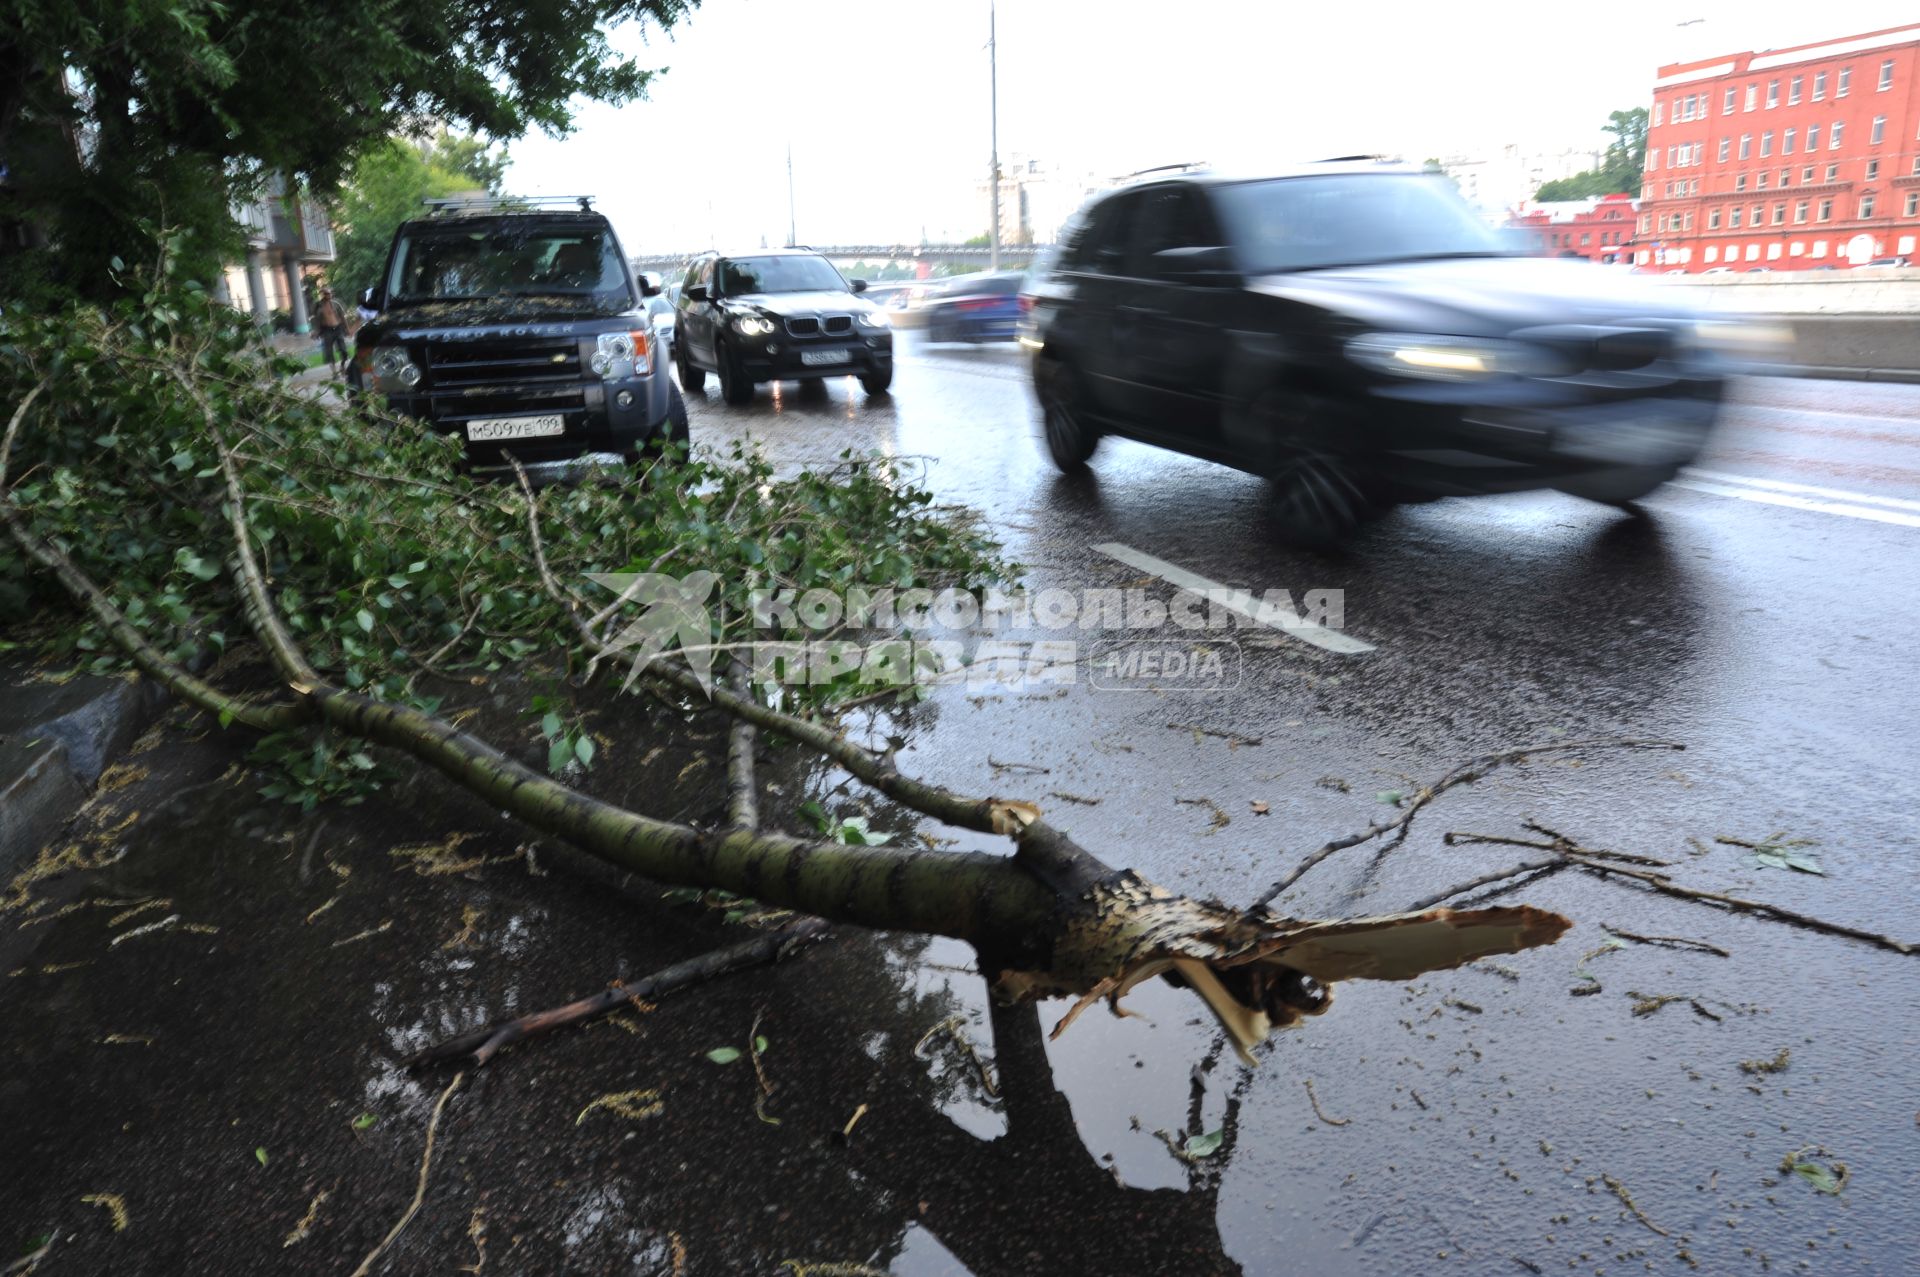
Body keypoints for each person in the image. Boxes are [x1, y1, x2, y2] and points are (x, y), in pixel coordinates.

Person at [313, 286, 351, 377]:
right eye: (326, 294)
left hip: (337, 329)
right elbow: (316, 320)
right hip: (327, 331)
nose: (329, 295)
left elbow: (342, 317)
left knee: (344, 351)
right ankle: (334, 373)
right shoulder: (318, 306)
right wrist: (316, 332)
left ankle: (342, 366)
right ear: (323, 294)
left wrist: (347, 328)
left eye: (330, 293)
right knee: (329, 353)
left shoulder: (336, 304)